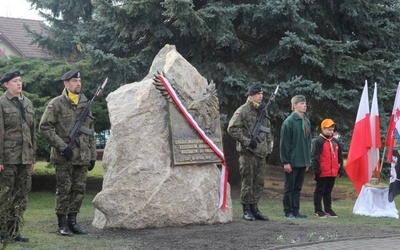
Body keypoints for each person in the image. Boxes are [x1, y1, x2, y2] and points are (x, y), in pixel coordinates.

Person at [39, 69, 97, 236]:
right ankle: (62, 224)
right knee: (64, 189)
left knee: (79, 190)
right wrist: (62, 146)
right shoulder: (56, 103)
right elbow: (45, 127)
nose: (78, 83)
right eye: (73, 81)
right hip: (64, 156)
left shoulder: (85, 103)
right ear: (66, 83)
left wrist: (92, 155)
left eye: (79, 81)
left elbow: (90, 131)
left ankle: (73, 222)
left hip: (82, 156)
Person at [227, 84, 273, 221]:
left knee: (258, 182)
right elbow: (232, 128)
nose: (261, 96)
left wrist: (268, 147)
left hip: (261, 152)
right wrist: (247, 141)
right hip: (248, 153)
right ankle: (246, 209)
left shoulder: (262, 110)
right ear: (251, 94)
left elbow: (268, 130)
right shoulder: (243, 110)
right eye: (258, 93)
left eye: (262, 94)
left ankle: (255, 208)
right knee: (248, 181)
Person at [0, 70, 36, 243]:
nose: (19, 83)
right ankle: (2, 232)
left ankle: (14, 231)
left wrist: (33, 157)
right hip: (8, 157)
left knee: (21, 195)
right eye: (15, 81)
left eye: (20, 80)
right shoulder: (2, 103)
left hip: (25, 158)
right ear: (6, 84)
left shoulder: (27, 103)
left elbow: (32, 132)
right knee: (4, 195)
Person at [279, 95, 311, 219]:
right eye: (301, 103)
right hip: (292, 161)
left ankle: (296, 210)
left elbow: (308, 142)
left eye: (305, 103)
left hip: (302, 160)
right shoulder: (289, 122)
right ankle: (288, 211)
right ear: (294, 106)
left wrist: (307, 160)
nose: (304, 105)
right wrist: (286, 161)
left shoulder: (306, 121)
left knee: (298, 187)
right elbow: (284, 144)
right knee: (289, 187)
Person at [311, 119, 344, 218]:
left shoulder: (335, 142)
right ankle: (318, 210)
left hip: (332, 171)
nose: (331, 131)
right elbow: (315, 156)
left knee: (328, 191)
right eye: (328, 129)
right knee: (319, 190)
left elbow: (340, 156)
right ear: (322, 129)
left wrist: (340, 168)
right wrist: (316, 170)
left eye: (332, 129)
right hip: (322, 171)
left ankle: (328, 209)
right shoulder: (318, 141)